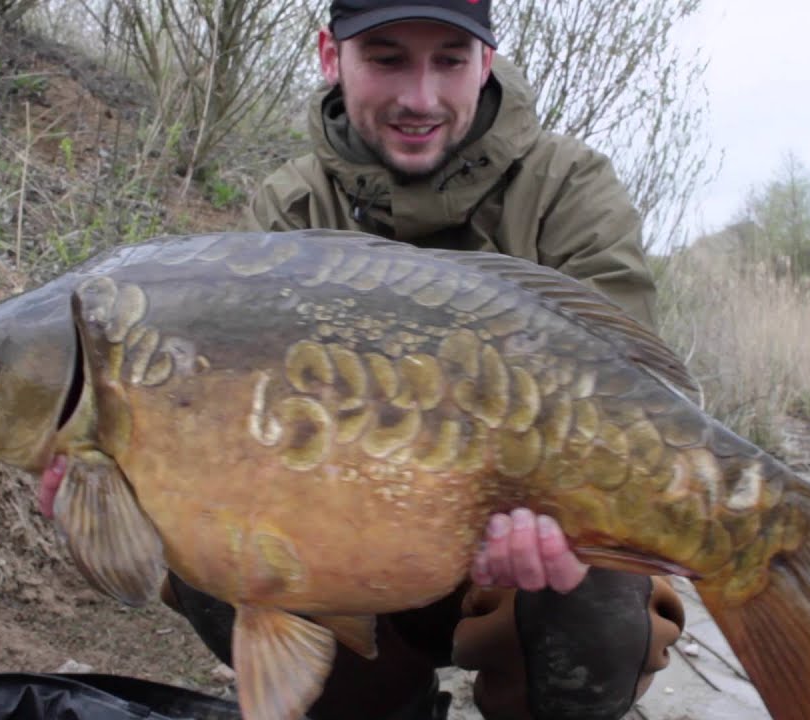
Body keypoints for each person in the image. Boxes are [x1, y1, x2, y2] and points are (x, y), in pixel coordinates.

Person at [162, 2, 688, 718]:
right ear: (330, 57)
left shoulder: (568, 187)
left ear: (487, 61)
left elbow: (640, 399)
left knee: (599, 572)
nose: (420, 97)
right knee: (199, 533)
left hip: (524, 544)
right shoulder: (291, 209)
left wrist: (549, 505)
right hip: (351, 542)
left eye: (449, 59)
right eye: (386, 58)